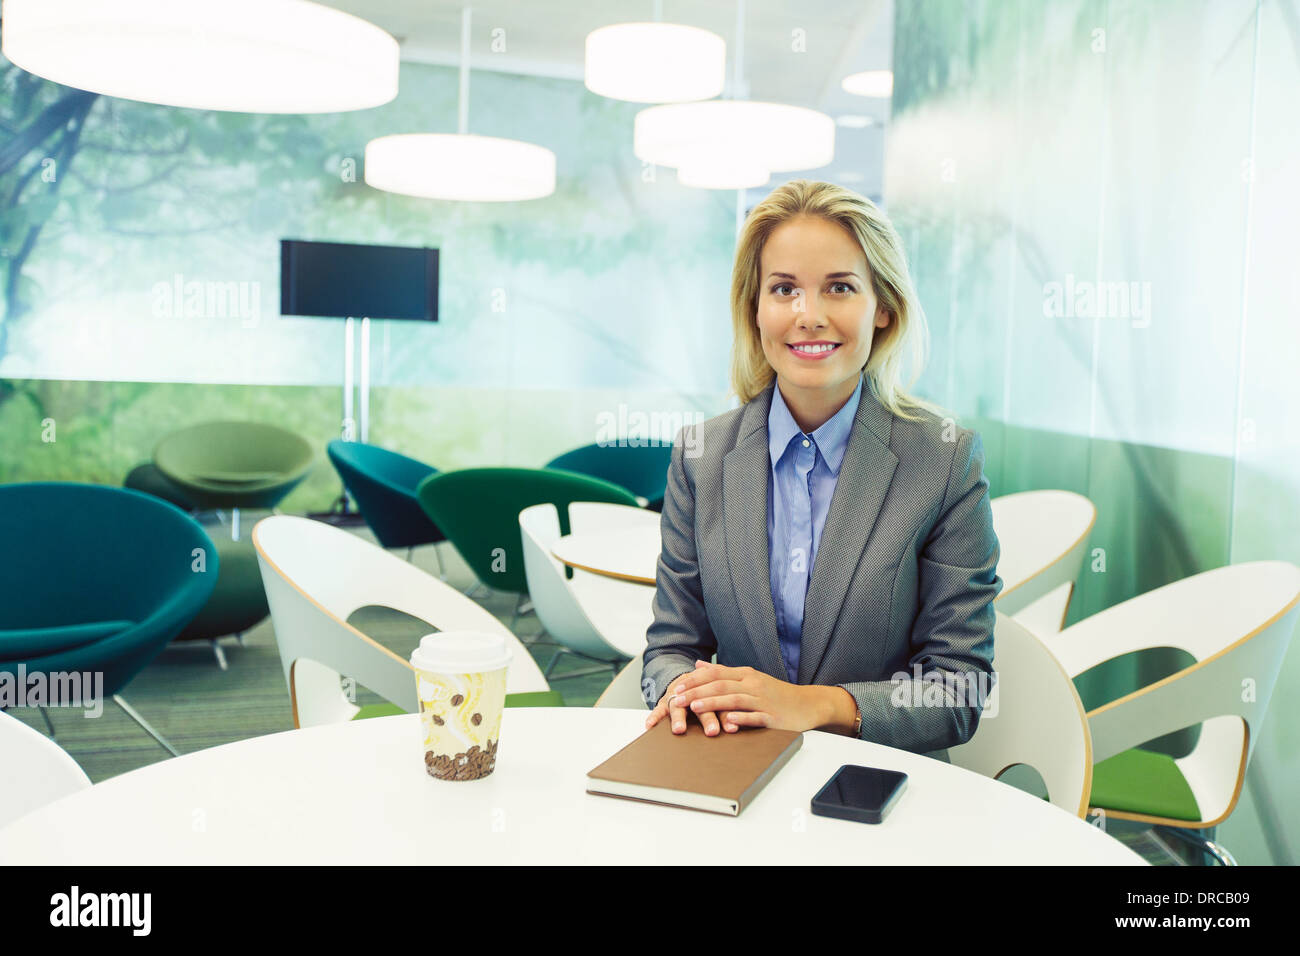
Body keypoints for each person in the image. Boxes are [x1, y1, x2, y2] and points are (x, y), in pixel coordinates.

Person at [642, 179, 1002, 761]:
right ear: (755, 309)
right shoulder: (699, 457)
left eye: (839, 287)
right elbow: (667, 651)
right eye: (783, 289)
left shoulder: (944, 463)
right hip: (735, 767)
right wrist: (684, 693)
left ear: (883, 307)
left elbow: (961, 688)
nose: (808, 316)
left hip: (874, 781)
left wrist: (819, 705)